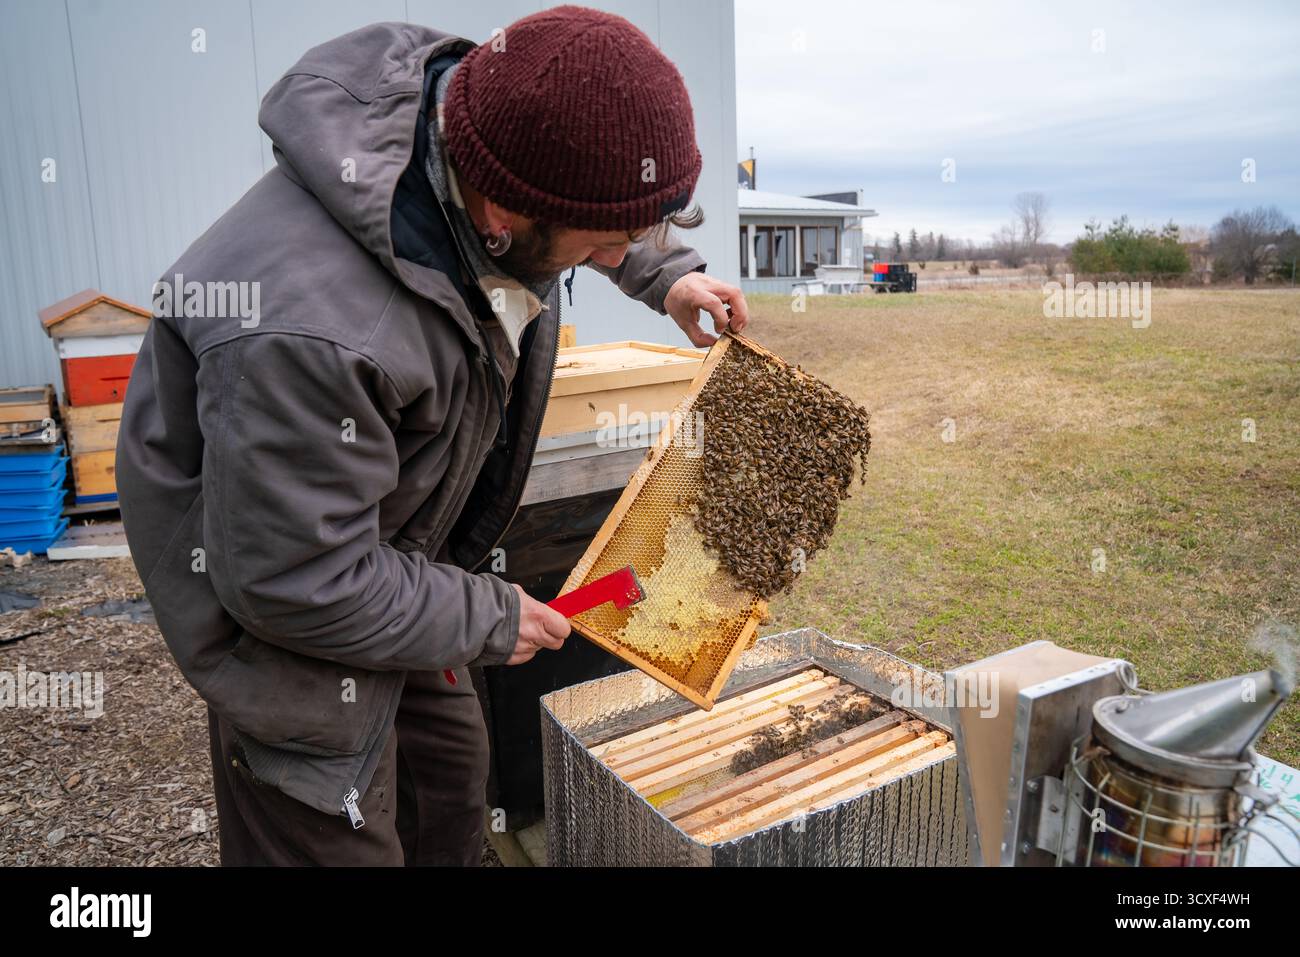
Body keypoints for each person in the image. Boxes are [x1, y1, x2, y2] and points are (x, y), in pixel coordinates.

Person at [116, 6, 749, 865]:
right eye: (609, 243)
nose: (620, 251)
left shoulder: (482, 135)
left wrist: (667, 274)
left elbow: (589, 193)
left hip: (389, 547)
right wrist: (486, 614)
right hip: (278, 602)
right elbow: (291, 578)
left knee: (451, 776)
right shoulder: (308, 332)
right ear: (504, 215)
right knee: (326, 816)